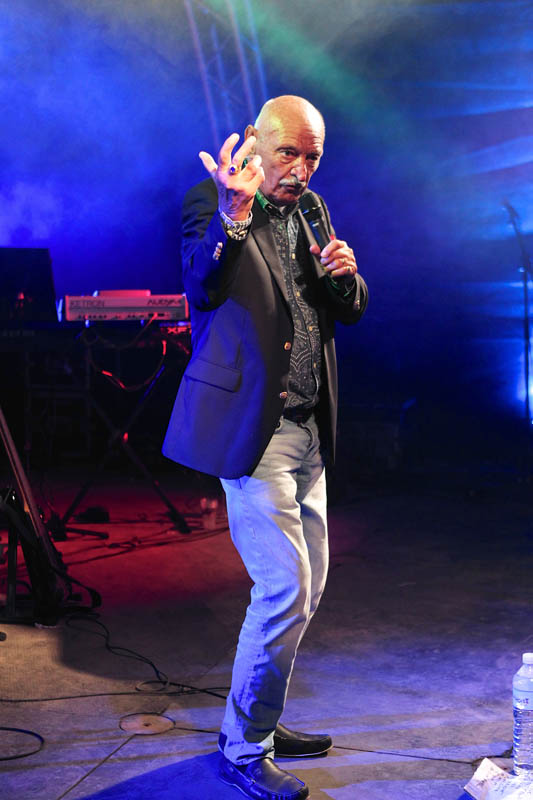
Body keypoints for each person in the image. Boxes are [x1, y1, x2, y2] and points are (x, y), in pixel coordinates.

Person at [163, 95, 368, 800]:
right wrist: (233, 213)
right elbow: (200, 285)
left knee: (306, 587)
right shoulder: (213, 199)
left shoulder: (312, 210)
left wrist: (346, 277)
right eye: (289, 153)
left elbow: (346, 308)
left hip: (309, 428)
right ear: (255, 139)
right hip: (256, 429)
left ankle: (261, 720)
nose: (301, 169)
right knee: (283, 588)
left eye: (313, 156)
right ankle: (245, 748)